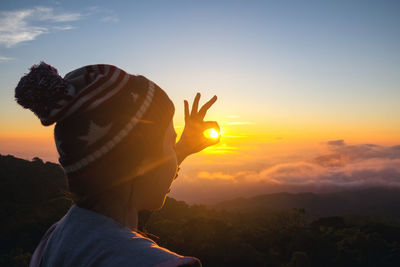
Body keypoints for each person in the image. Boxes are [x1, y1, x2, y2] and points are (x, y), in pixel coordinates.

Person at [15, 62, 220, 267]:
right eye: (170, 142)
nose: (174, 154)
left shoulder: (53, 240)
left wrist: (181, 150)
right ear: (142, 164)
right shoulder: (159, 263)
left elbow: (123, 224)